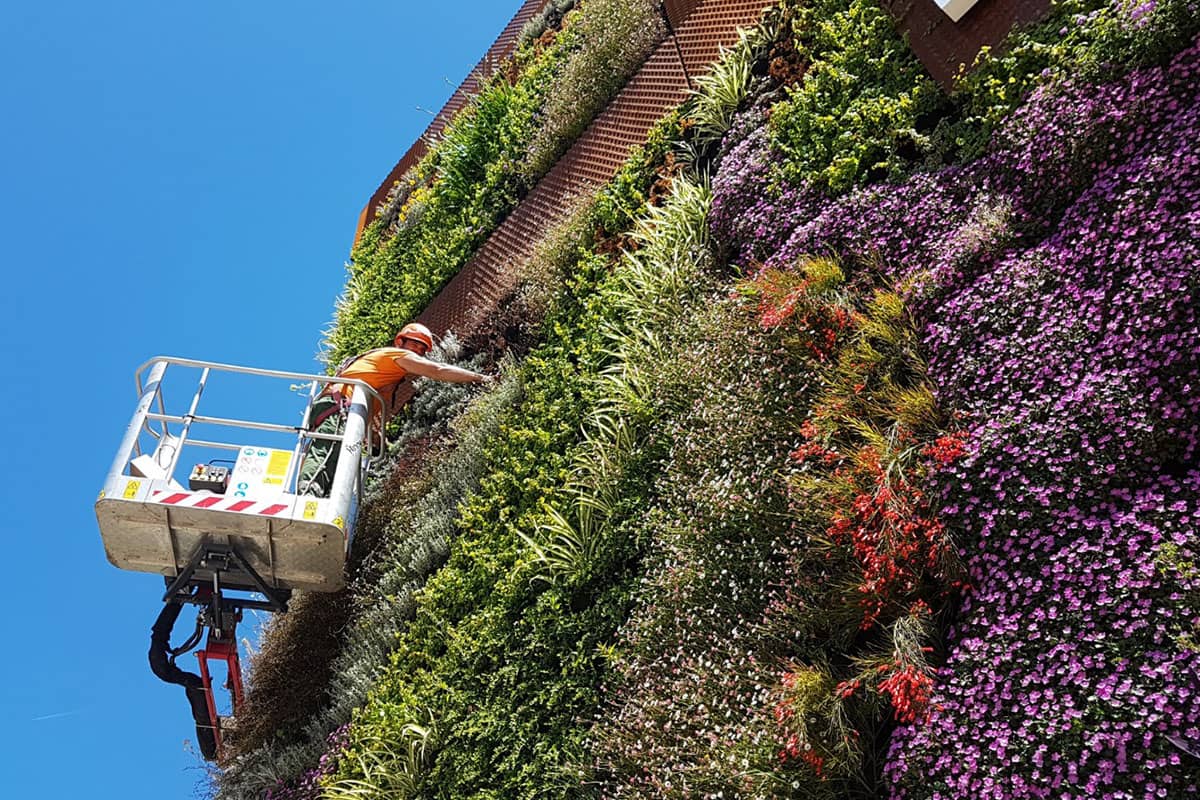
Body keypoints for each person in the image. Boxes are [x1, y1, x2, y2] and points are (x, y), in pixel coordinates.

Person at [298, 322, 492, 496]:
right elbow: (438, 370)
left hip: (341, 409)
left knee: (339, 458)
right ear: (400, 342)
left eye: (421, 349)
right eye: (414, 344)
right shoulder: (397, 355)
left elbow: (373, 419)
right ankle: (307, 493)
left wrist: (377, 440)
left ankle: (316, 495)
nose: (417, 351)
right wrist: (481, 378)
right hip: (340, 406)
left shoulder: (383, 375)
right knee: (328, 449)